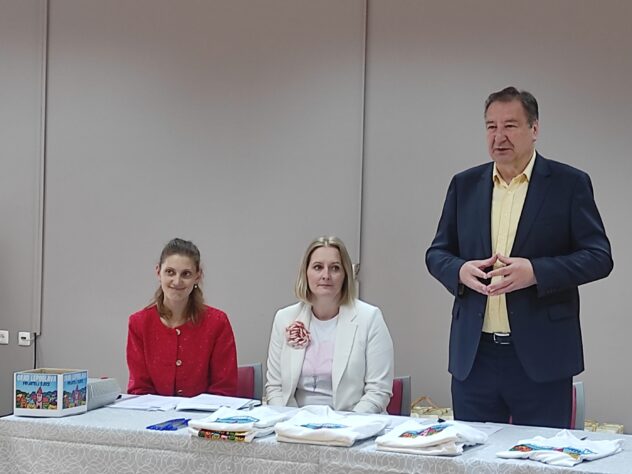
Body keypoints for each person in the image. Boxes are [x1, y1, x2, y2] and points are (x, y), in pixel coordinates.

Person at [426, 87, 613, 428]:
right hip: (475, 357)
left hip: (542, 357)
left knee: (541, 454)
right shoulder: (464, 185)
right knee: (473, 453)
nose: (499, 136)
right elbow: (437, 253)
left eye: (510, 126)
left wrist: (536, 272)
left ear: (534, 129)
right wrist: (459, 271)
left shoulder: (568, 184)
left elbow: (599, 256)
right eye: (491, 126)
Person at [265, 236, 394, 413]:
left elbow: (377, 392)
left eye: (335, 268)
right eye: (318, 267)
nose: (326, 275)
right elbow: (275, 388)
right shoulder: (285, 318)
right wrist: (287, 421)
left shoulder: (370, 318)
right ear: (305, 273)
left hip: (352, 421)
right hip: (293, 421)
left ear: (345, 275)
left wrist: (344, 426)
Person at [126, 238, 237, 397]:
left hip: (206, 413)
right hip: (152, 412)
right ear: (158, 272)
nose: (177, 281)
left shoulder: (217, 323)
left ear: (197, 276)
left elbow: (224, 389)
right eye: (170, 272)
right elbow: (139, 389)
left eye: (186, 274)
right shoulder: (139, 323)